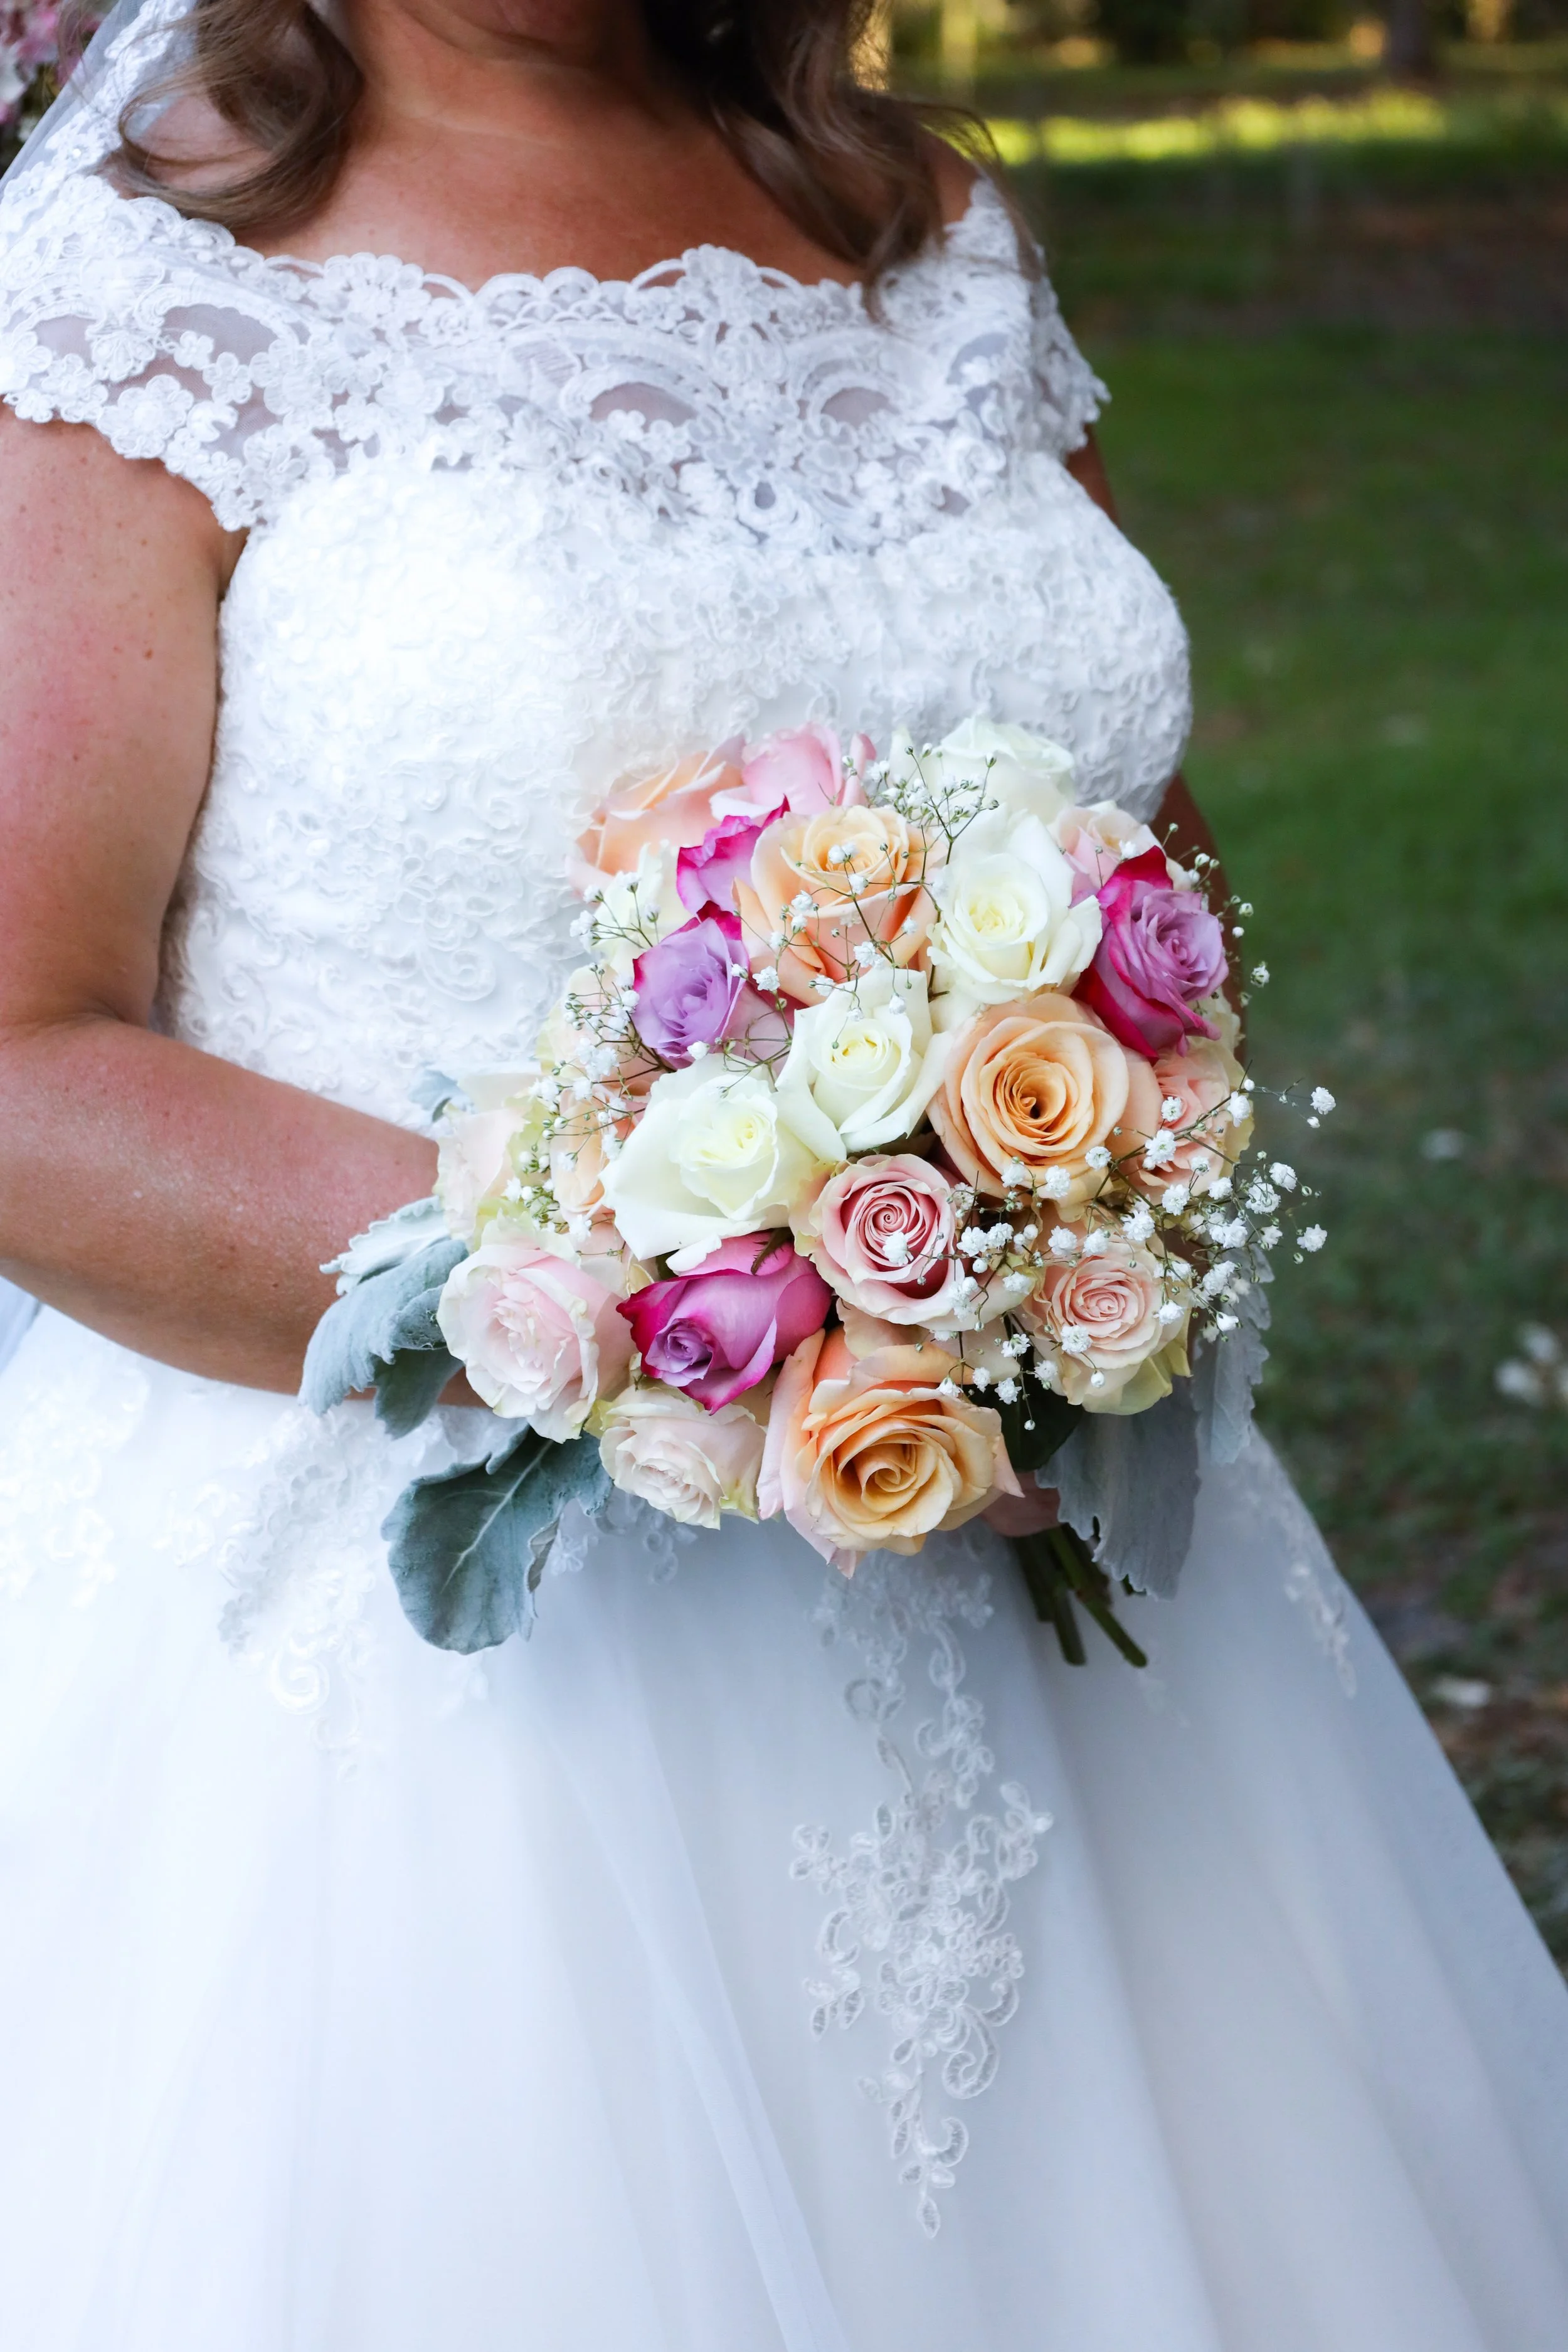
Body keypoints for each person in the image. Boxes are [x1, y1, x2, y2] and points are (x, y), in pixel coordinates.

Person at [0, 4, 1564, 2346]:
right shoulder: (156, 268)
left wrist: (1068, 1211)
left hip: (1071, 1612)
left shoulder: (915, 228)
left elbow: (1138, 848)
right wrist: (676, 1305)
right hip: (417, 1715)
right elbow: (25, 1052)